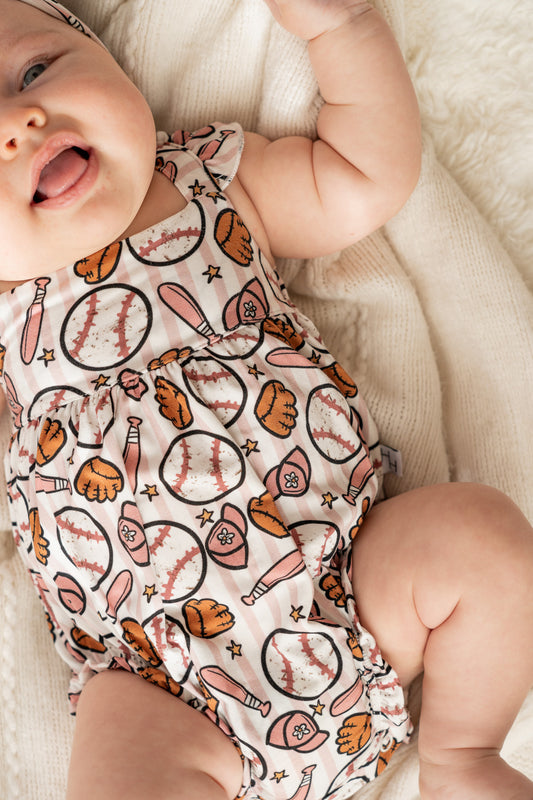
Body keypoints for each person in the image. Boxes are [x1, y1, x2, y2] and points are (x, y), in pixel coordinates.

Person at [0, 0, 532, 798]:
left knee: (480, 536)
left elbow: (359, 177)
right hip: (163, 685)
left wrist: (343, 31)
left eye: (35, 70)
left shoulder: (209, 177)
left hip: (346, 582)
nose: (20, 123)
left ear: (101, 53)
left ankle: (461, 753)